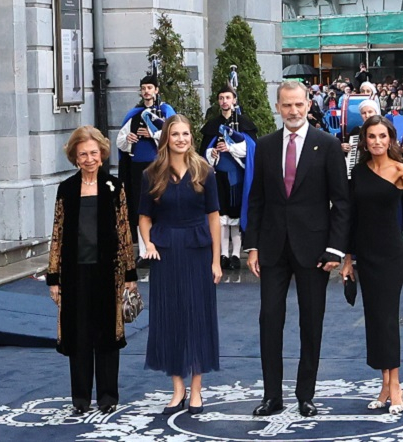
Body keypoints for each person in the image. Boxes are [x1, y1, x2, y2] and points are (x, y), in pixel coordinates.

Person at [245, 81, 350, 418]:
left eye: (298, 105)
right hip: (273, 248)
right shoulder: (265, 146)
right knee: (269, 321)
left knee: (311, 322)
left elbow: (342, 202)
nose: (293, 111)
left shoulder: (328, 145)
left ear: (308, 105)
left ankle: (306, 394)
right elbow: (257, 199)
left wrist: (335, 249)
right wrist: (252, 246)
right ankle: (271, 396)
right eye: (287, 105)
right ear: (278, 107)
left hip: (315, 249)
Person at [47, 125, 137, 416]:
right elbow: (57, 233)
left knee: (107, 336)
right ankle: (81, 398)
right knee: (79, 335)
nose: (89, 159)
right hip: (75, 275)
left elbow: (125, 231)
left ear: (102, 154)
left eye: (93, 153)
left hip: (107, 273)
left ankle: (108, 395)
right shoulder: (67, 189)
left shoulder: (114, 187)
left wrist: (130, 274)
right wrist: (53, 278)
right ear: (74, 157)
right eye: (83, 154)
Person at [340, 116, 403, 415]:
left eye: (382, 136)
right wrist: (347, 259)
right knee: (374, 318)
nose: (377, 141)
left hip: (391, 254)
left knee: (387, 318)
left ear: (390, 139)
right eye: (372, 136)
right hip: (365, 253)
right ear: (364, 140)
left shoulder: (400, 169)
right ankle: (384, 384)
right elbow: (351, 218)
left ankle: (396, 384)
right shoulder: (358, 172)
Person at [140, 114, 223, 415]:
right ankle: (178, 388)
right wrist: (148, 243)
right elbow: (144, 217)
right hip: (165, 252)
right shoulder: (152, 174)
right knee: (170, 317)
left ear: (191, 137)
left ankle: (197, 389)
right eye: (175, 134)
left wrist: (216, 260)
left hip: (198, 250)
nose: (181, 139)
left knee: (197, 317)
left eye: (185, 134)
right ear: (166, 138)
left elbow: (214, 217)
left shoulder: (205, 170)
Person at [116, 73, 176, 259]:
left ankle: (161, 245)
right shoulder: (134, 115)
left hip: (159, 165)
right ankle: (143, 251)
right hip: (137, 168)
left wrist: (153, 134)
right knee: (140, 206)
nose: (146, 92)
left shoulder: (165, 112)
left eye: (150, 88)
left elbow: (174, 135)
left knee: (161, 204)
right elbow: (120, 141)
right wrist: (128, 139)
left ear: (156, 90)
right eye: (143, 89)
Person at [201, 84, 258, 271]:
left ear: (234, 100)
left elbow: (251, 149)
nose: (224, 101)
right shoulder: (212, 125)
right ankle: (223, 253)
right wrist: (214, 154)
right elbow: (204, 153)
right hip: (219, 176)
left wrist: (231, 148)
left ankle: (235, 254)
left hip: (237, 177)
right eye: (221, 98)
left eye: (228, 97)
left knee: (235, 216)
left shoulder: (245, 123)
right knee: (221, 216)